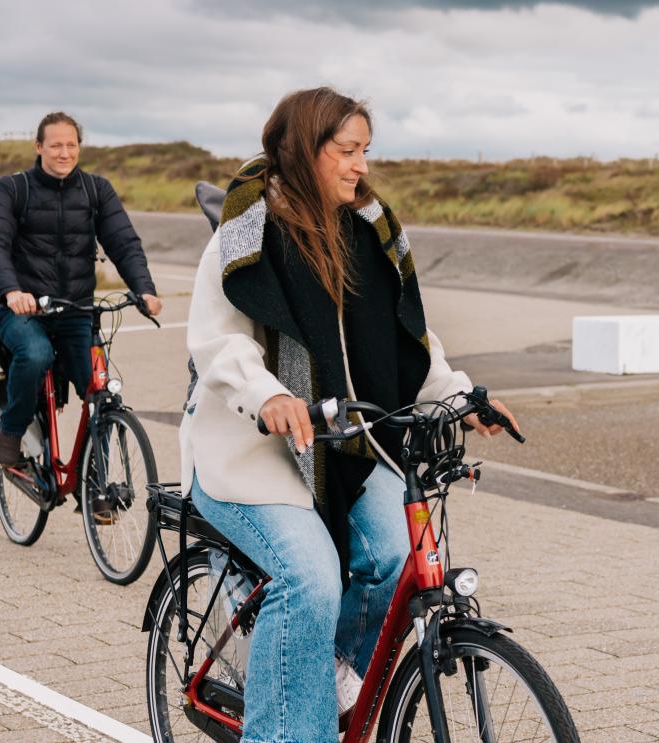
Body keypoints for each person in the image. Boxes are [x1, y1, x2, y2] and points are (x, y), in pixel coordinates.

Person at [180, 87, 519, 742]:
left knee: (397, 553)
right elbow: (217, 342)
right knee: (309, 579)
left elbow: (407, 341)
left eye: (365, 150)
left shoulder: (365, 232)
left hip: (348, 442)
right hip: (250, 451)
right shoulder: (245, 232)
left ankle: (331, 676)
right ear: (306, 152)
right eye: (347, 150)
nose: (361, 165)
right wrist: (270, 395)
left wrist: (462, 396)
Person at [0, 112, 163, 468]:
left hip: (76, 311)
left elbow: (124, 244)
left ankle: (97, 485)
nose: (64, 152)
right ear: (39, 146)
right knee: (35, 354)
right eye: (55, 145)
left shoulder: (96, 190)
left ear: (80, 148)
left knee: (100, 392)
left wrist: (144, 290)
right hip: (25, 311)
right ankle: (10, 431)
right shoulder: (14, 189)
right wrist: (12, 291)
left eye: (71, 145)